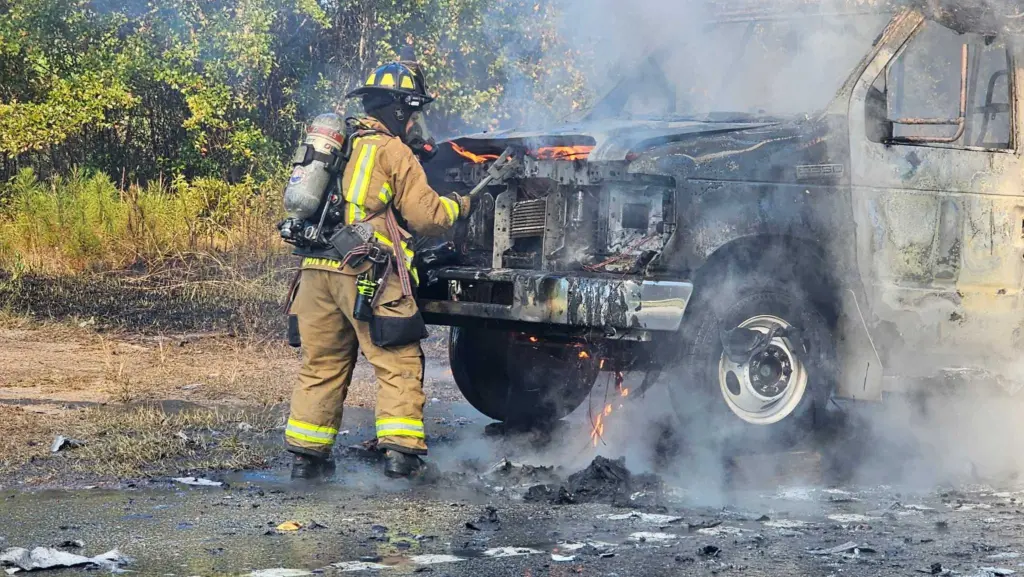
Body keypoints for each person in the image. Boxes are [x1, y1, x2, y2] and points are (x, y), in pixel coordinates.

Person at [285, 61, 470, 480]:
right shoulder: (391, 150)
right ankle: (402, 457)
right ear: (399, 111)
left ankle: (306, 456)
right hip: (366, 272)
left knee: (322, 363)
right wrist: (460, 206)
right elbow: (426, 217)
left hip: (315, 271)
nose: (416, 121)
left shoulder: (339, 144)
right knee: (398, 360)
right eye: (413, 112)